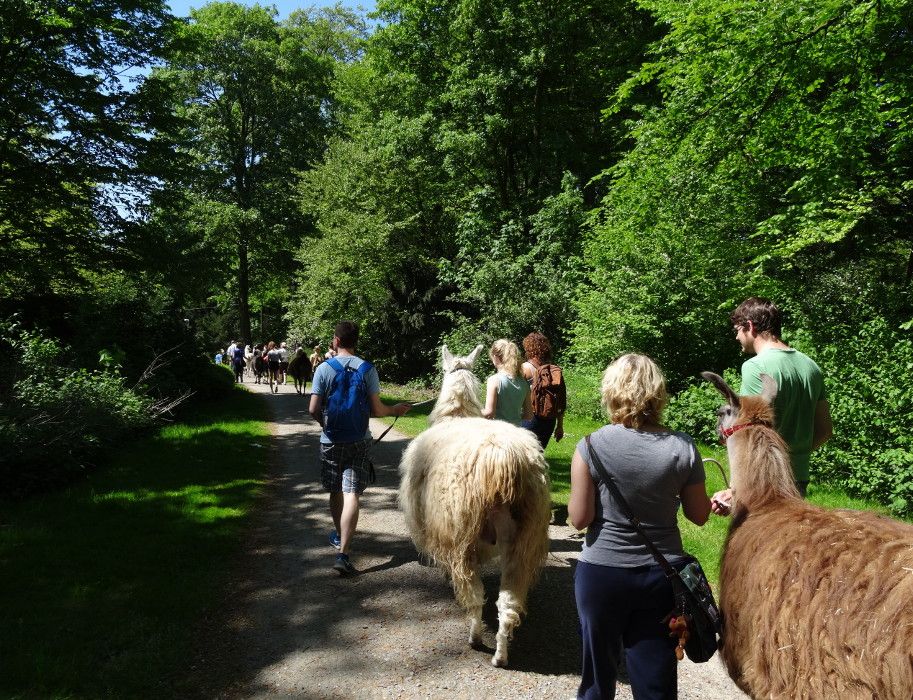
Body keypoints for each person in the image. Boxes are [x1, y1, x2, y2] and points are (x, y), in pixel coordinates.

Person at [568, 353, 711, 700]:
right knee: (655, 680)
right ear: (657, 393)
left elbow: (579, 519)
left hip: (601, 574)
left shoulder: (589, 446)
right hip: (660, 578)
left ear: (611, 392)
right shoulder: (683, 447)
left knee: (597, 678)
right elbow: (699, 515)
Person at [711, 297, 832, 513]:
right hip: (798, 479)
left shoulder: (755, 367)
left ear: (750, 326)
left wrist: (735, 490)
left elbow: (748, 434)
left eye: (738, 329)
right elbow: (824, 431)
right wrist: (794, 454)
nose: (737, 336)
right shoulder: (811, 367)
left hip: (765, 482)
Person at [308, 321, 411, 576]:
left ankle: (337, 534)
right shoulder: (367, 369)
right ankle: (343, 553)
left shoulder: (323, 369)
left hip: (331, 440)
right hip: (359, 439)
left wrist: (326, 426)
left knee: (335, 492)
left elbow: (312, 409)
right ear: (356, 341)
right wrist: (395, 410)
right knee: (352, 493)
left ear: (336, 341)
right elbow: (377, 410)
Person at [520, 332, 566, 448]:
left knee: (522, 458)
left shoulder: (525, 368)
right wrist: (560, 426)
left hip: (529, 419)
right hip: (549, 420)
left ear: (528, 348)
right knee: (538, 456)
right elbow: (561, 400)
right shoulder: (553, 371)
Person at [482, 339, 532, 426]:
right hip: (517, 432)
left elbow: (489, 413)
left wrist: (471, 413)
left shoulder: (494, 380)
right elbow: (529, 415)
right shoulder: (523, 383)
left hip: (499, 433)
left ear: (495, 356)